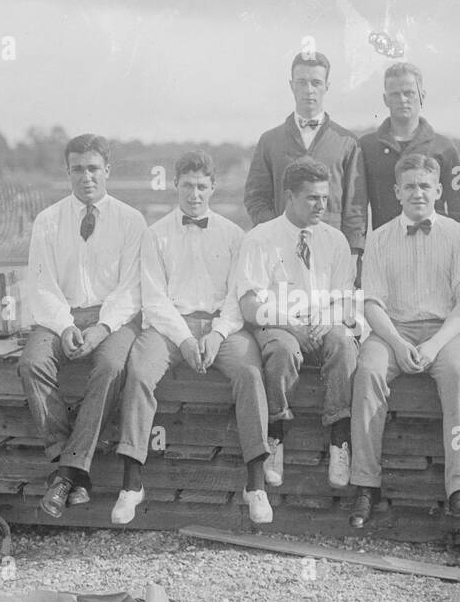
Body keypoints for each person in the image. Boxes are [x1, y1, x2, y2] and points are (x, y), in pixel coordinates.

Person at [113, 151, 274, 526]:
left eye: (202, 186)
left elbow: (237, 297)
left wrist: (217, 334)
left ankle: (256, 485)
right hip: (170, 327)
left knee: (250, 374)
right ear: (175, 186)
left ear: (213, 187)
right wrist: (186, 339)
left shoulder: (235, 235)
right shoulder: (155, 235)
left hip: (223, 326)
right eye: (187, 185)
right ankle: (132, 482)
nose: (195, 194)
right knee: (139, 373)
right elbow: (154, 300)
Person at [348, 152, 460, 528]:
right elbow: (371, 303)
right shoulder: (379, 238)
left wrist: (434, 345)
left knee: (458, 373)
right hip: (393, 330)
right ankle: (365, 484)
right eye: (409, 186)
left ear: (438, 189)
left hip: (444, 331)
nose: (417, 193)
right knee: (368, 371)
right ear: (396, 192)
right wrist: (398, 342)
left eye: (425, 185)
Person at [18, 133, 145, 519]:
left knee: (110, 367)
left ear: (107, 170)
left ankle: (65, 476)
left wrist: (102, 328)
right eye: (77, 169)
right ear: (67, 172)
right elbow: (41, 284)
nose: (86, 177)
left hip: (112, 317)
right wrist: (64, 325)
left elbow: (132, 289)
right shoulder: (48, 220)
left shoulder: (130, 220)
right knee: (31, 363)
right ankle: (70, 466)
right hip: (61, 315)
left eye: (93, 168)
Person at [235, 158, 359, 489]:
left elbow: (346, 297)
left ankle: (339, 439)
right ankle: (275, 433)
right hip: (278, 323)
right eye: (312, 198)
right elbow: (250, 306)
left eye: (324, 197)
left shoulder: (335, 240)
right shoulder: (261, 238)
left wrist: (328, 317)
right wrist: (291, 325)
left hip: (321, 320)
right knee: (282, 349)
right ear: (289, 196)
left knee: (344, 344)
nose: (322, 205)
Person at [244, 51, 367, 258]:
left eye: (316, 82)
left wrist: (353, 252)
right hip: (280, 251)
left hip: (332, 251)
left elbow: (356, 205)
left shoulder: (347, 142)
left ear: (327, 86)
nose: (309, 90)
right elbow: (255, 197)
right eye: (302, 82)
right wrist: (276, 232)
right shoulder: (270, 141)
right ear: (291, 85)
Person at [358, 61, 460, 232]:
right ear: (385, 99)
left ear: (422, 96)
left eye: (409, 93)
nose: (402, 100)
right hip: (386, 245)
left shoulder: (444, 147)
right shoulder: (367, 147)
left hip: (436, 242)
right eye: (395, 94)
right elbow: (357, 205)